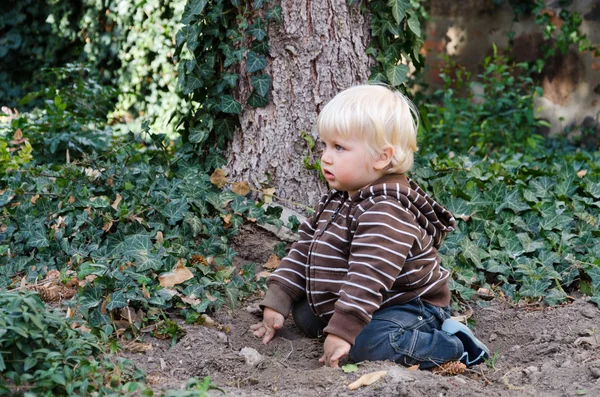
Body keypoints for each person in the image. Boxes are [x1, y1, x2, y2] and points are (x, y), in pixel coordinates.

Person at [250, 84, 489, 369]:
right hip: (367, 301)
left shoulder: (386, 210)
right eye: (325, 145)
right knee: (305, 313)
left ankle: (453, 345)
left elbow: (368, 275)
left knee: (370, 343)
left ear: (381, 157)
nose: (326, 156)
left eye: (339, 148)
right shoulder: (339, 198)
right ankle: (349, 324)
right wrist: (279, 297)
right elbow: (305, 249)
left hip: (408, 306)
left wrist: (342, 331)